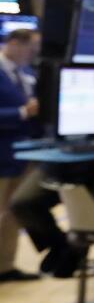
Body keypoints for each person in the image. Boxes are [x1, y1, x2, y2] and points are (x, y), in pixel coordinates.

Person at [0, 29, 42, 282]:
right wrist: (22, 113)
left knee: (13, 214)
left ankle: (5, 266)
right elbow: (21, 110)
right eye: (31, 48)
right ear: (15, 43)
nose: (33, 54)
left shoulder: (25, 73)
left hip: (22, 155)